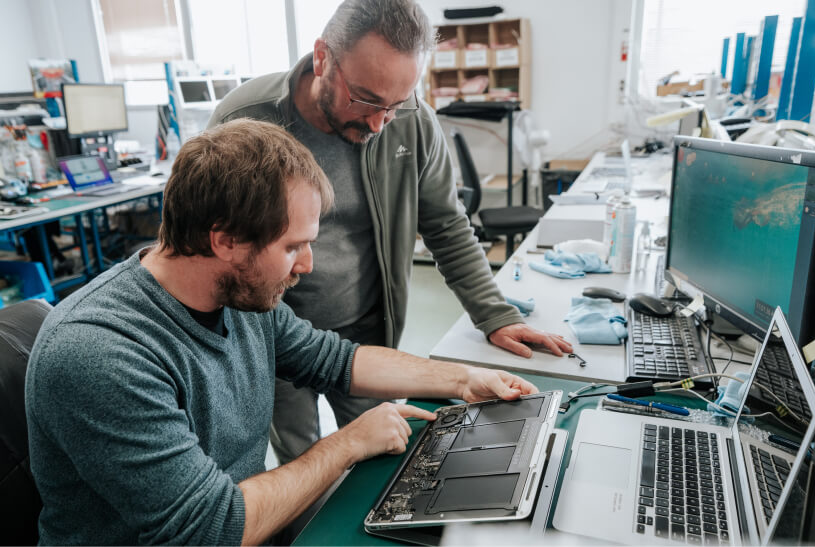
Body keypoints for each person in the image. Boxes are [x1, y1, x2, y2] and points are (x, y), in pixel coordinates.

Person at [25, 119, 540, 545]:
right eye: (293, 247)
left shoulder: (239, 294)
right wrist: (346, 444)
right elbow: (209, 529)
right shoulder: (101, 352)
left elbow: (334, 359)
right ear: (225, 240)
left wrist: (463, 379)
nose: (308, 265)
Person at [208, 0, 572, 465]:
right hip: (272, 333)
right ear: (323, 58)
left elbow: (446, 224)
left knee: (380, 455)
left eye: (395, 105)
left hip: (365, 328)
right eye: (365, 99)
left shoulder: (412, 122)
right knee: (302, 461)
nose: (380, 123)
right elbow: (212, 243)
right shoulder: (245, 118)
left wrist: (496, 316)